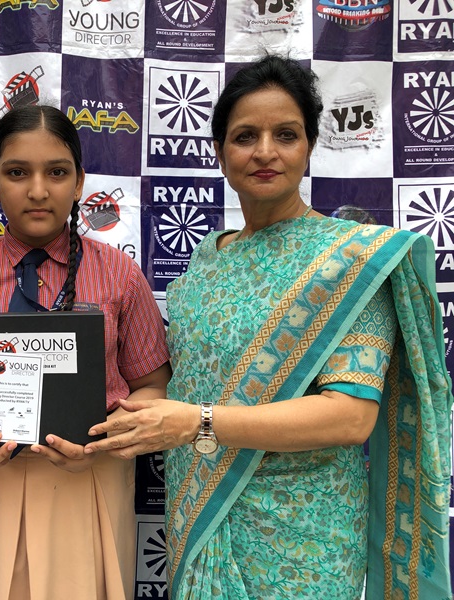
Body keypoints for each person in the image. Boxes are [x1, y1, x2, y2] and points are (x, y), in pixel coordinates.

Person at [84, 55, 453, 599]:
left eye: (285, 135)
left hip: (306, 537)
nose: (264, 152)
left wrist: (197, 423)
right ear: (219, 152)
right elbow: (178, 388)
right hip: (199, 519)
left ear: (309, 146)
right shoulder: (205, 262)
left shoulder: (348, 261)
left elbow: (351, 417)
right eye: (244, 136)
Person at [0, 104, 171, 600]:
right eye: (18, 172)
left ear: (80, 181)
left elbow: (153, 386)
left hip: (88, 484)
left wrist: (101, 443)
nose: (39, 190)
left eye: (57, 172)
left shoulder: (120, 275)